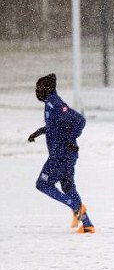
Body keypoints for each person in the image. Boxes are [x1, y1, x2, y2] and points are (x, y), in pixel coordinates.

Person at [28, 73, 95, 233]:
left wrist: (71, 140)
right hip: (64, 154)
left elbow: (80, 120)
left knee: (43, 184)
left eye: (39, 88)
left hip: (61, 155)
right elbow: (56, 127)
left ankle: (76, 208)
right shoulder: (49, 104)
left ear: (47, 89)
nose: (37, 91)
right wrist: (39, 132)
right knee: (67, 186)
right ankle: (88, 225)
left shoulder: (56, 104)